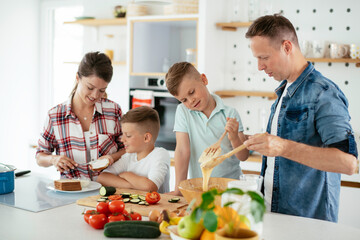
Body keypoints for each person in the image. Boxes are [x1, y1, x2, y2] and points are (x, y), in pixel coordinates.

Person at [243, 14, 358, 222]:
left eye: (264, 57)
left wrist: (282, 147)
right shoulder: (284, 90)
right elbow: (282, 148)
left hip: (308, 224)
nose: (260, 66)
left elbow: (348, 163)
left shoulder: (324, 93)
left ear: (287, 47)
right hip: (272, 215)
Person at [36, 52, 125, 180]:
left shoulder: (113, 111)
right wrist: (54, 159)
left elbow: (128, 149)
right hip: (71, 192)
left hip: (109, 191)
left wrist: (112, 157)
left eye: (102, 90)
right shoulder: (55, 115)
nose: (95, 95)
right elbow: (40, 156)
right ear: (78, 78)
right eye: (90, 87)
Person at [165, 62, 249, 196]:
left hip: (231, 190)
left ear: (204, 80)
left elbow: (243, 156)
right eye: (184, 100)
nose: (190, 101)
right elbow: (182, 151)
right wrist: (179, 189)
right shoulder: (183, 112)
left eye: (192, 92)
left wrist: (233, 137)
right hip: (201, 190)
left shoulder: (230, 114)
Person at [97, 106, 170, 193]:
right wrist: (131, 185)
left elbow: (150, 187)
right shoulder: (129, 156)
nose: (122, 139)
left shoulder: (160, 154)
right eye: (123, 134)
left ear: (146, 138)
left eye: (128, 135)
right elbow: (102, 177)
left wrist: (127, 175)